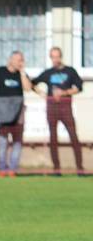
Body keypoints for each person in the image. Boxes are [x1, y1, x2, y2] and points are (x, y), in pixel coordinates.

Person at [32, 47, 84, 175]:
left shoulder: (70, 71)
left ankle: (80, 168)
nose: (55, 59)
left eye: (57, 56)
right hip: (52, 108)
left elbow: (79, 87)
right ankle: (56, 168)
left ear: (61, 57)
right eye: (52, 57)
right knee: (53, 138)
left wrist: (64, 92)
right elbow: (32, 83)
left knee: (73, 137)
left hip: (65, 107)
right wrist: (42, 94)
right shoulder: (48, 73)